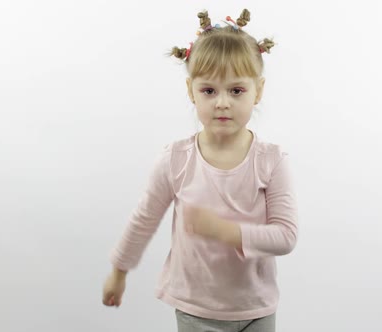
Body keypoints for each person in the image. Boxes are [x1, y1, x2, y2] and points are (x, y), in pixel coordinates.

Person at [102, 8, 299, 332]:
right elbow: (144, 219)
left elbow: (286, 236)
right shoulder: (176, 159)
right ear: (191, 90)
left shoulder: (271, 160)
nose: (222, 102)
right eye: (209, 90)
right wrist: (118, 271)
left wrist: (226, 232)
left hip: (257, 308)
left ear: (258, 91)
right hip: (197, 310)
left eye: (236, 90)